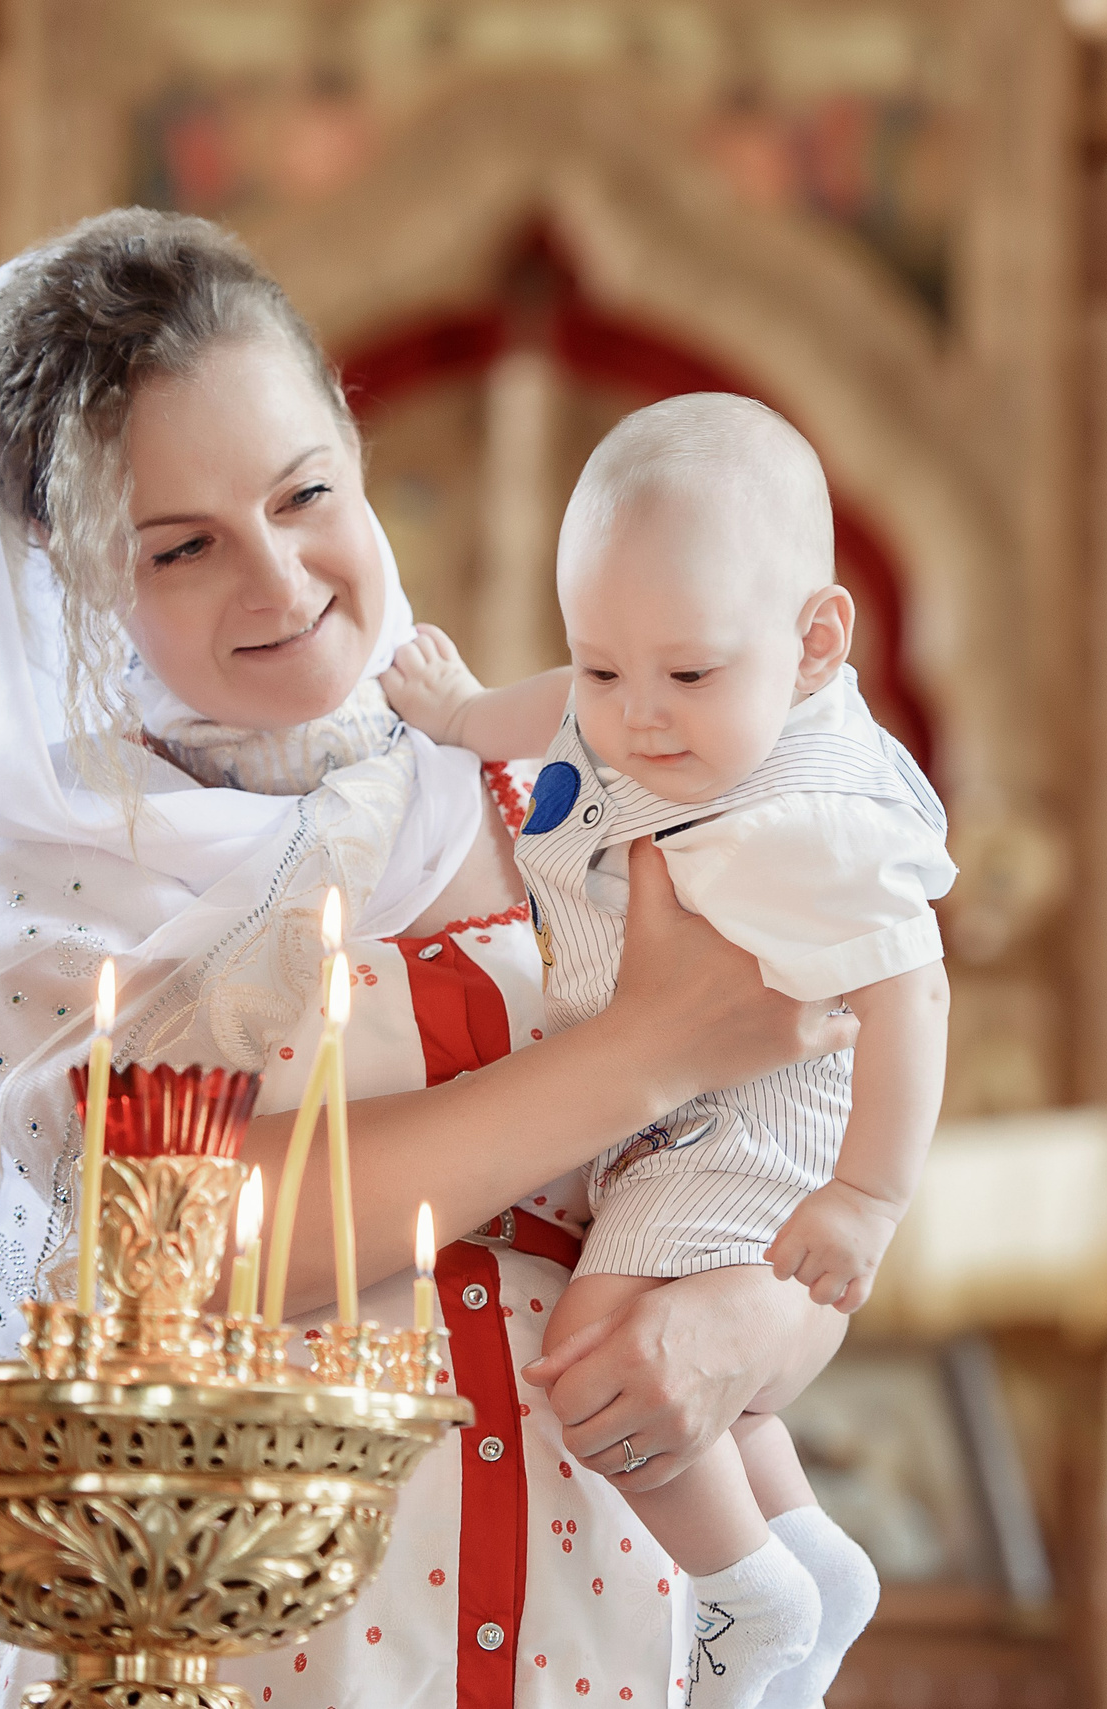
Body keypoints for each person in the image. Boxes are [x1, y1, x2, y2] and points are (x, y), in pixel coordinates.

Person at [0, 210, 865, 1709]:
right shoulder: (41, 883)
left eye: (305, 493)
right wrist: (642, 1053)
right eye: (182, 547)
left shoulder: (548, 782)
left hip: (620, 1639)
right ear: (70, 573)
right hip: (263, 1650)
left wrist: (759, 1323)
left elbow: (789, 1147)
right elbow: (186, 1251)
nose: (280, 578)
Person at [383, 395, 950, 1709]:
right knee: (701, 1381)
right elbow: (560, 721)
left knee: (596, 1354)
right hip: (675, 1109)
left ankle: (745, 1597)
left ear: (814, 644)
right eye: (602, 666)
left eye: (687, 675)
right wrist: (466, 713)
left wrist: (866, 1196)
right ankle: (806, 1555)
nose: (635, 716)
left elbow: (912, 990)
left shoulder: (812, 814)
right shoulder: (653, 712)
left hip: (751, 1126)